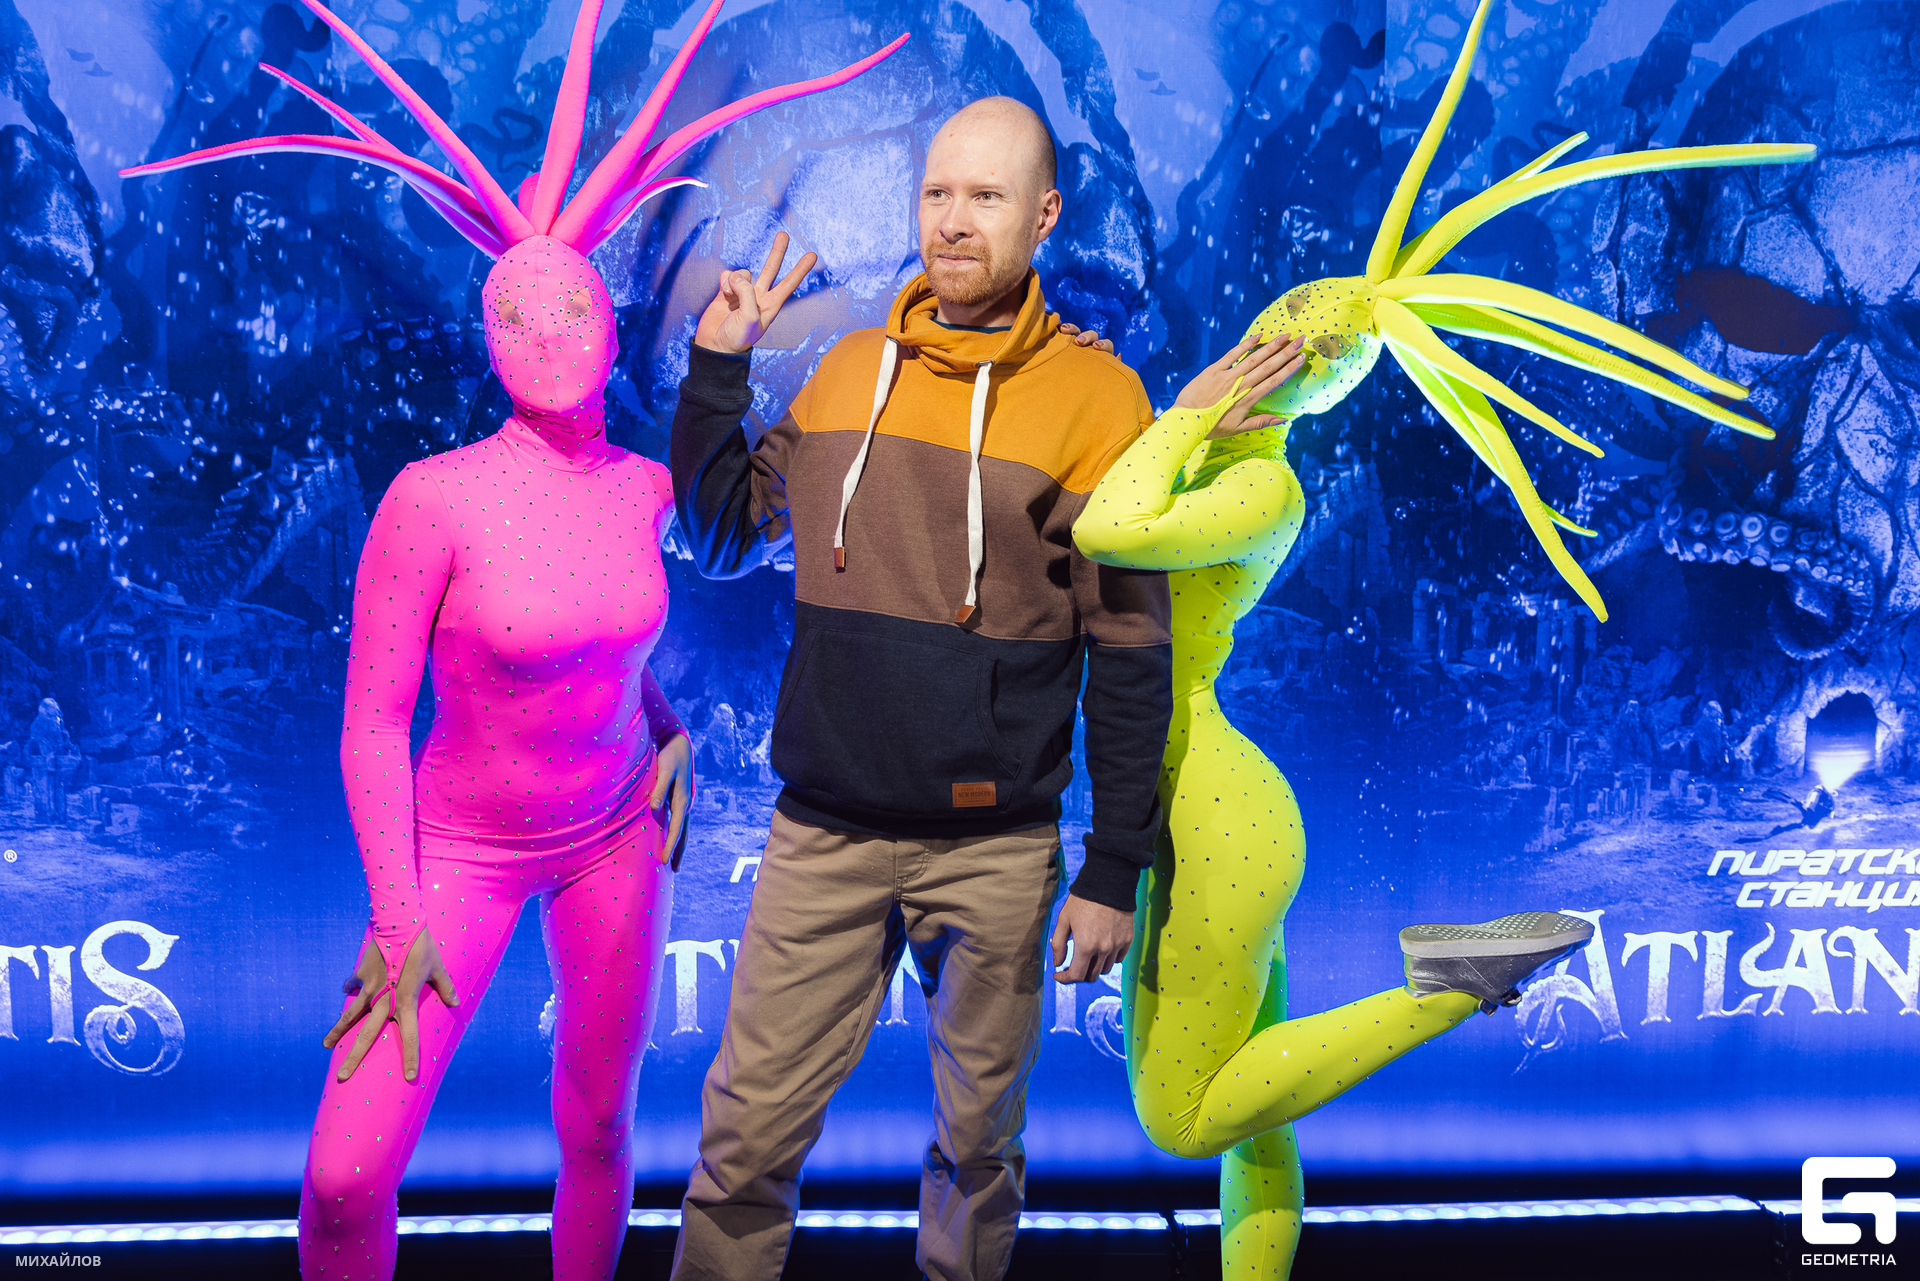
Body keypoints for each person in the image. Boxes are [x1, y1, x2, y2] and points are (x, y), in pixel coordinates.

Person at [118, 2, 905, 1276]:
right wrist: (395, 916)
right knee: (344, 1178)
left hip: (618, 834)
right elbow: (373, 722)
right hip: (457, 859)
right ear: (490, 335)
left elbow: (612, 642)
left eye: (572, 313)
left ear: (609, 323)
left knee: (598, 1129)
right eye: (521, 318)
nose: (550, 339)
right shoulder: (431, 498)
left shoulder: (644, 488)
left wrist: (667, 726)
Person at [667, 97, 1170, 1280]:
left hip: (996, 854)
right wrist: (718, 369)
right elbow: (724, 536)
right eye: (938, 192)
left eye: (986, 197)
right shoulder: (848, 373)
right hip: (822, 836)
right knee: (741, 1147)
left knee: (978, 1153)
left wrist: (1113, 866)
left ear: (1043, 216)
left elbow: (1129, 648)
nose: (953, 220)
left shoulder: (1103, 403)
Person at [1072, 333, 1596, 1278]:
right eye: (1242, 346)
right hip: (1197, 806)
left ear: (1292, 382)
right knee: (1258, 1111)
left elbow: (1108, 530)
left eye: (1264, 354)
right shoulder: (1203, 466)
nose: (1237, 362)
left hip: (1212, 819)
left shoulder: (1262, 487)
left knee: (1182, 1116)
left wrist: (1188, 411)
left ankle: (1453, 982)